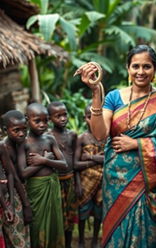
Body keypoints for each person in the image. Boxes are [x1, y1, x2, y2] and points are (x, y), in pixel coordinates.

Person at [75, 44, 156, 247]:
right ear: (128, 69)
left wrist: (137, 143)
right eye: (135, 66)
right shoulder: (114, 97)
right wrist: (96, 93)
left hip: (147, 182)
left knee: (145, 235)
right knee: (115, 233)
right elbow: (100, 134)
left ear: (154, 71)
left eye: (147, 67)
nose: (140, 72)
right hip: (116, 179)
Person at [17, 103, 68, 248]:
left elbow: (64, 164)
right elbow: (23, 173)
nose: (42, 125)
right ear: (27, 120)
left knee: (54, 223)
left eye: (45, 121)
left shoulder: (50, 139)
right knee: (37, 224)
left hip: (52, 186)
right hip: (36, 190)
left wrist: (45, 160)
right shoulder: (24, 143)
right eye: (37, 121)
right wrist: (42, 162)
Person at [47, 101, 79, 248]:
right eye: (57, 116)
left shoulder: (72, 135)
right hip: (55, 181)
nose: (62, 118)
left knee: (70, 216)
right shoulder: (47, 137)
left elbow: (74, 161)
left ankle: (68, 244)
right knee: (57, 216)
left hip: (70, 179)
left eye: (64, 114)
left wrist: (77, 183)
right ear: (49, 118)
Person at [74, 104, 105, 248]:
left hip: (102, 182)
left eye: (96, 116)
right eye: (89, 116)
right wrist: (78, 184)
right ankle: (80, 240)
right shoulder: (82, 138)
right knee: (83, 211)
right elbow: (76, 165)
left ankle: (94, 240)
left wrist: (91, 158)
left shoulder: (106, 137)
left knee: (99, 211)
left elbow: (109, 160)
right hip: (86, 182)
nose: (92, 120)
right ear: (85, 118)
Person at [0, 110, 32, 247]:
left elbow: (12, 175)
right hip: (8, 194)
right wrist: (25, 205)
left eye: (24, 129)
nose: (21, 134)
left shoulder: (18, 144)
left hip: (11, 194)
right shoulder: (5, 146)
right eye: (16, 130)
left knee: (19, 236)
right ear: (5, 130)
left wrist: (13, 204)